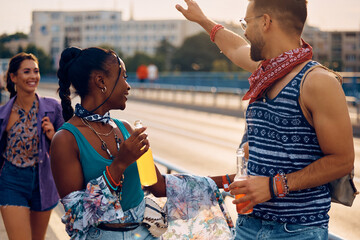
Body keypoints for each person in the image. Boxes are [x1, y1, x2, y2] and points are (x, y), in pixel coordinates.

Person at [176, 0, 354, 239]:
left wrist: (274, 186)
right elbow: (235, 48)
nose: (245, 31)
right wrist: (203, 21)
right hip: (248, 226)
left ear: (266, 21)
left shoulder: (316, 81)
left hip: (296, 232)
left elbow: (342, 160)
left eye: (246, 22)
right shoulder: (267, 72)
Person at [50, 46, 166, 240]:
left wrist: (226, 180)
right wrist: (119, 164)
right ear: (101, 81)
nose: (128, 86)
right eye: (124, 77)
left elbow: (159, 185)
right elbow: (76, 218)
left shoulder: (126, 129)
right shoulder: (65, 139)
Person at [0, 52, 64, 240]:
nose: (33, 76)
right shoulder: (3, 114)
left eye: (36, 71)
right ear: (13, 77)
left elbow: (68, 151)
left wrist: (54, 136)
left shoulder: (53, 108)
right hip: (11, 182)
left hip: (43, 181)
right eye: (26, 71)